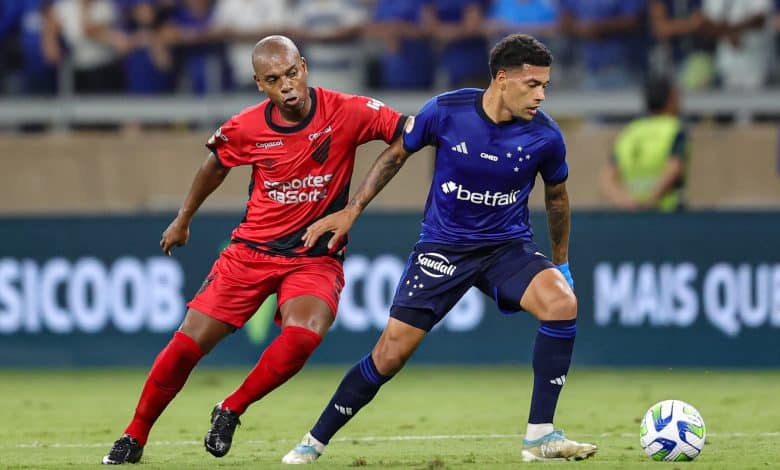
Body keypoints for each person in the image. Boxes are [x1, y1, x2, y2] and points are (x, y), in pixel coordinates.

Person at [281, 33, 598, 464]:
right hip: (443, 248)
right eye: (533, 85)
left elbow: (557, 198)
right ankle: (314, 441)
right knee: (389, 355)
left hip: (506, 248)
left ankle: (539, 436)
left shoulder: (545, 136)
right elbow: (395, 155)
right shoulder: (446, 111)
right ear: (501, 79)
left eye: (545, 86)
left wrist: (561, 263)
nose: (541, 95)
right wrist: (352, 210)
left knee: (562, 304)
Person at [101, 35, 407, 465]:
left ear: (304, 67)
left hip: (313, 255)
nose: (287, 85)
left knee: (303, 335)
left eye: (292, 73)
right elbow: (215, 165)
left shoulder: (348, 110)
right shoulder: (245, 126)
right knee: (186, 346)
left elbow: (408, 133)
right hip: (251, 253)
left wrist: (353, 208)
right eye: (273, 79)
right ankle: (134, 435)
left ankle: (231, 408)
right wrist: (183, 219)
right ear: (259, 84)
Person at [600, 75, 688, 212]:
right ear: (671, 99)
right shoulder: (674, 129)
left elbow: (606, 179)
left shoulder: (630, 131)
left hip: (633, 215)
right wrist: (650, 200)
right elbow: (674, 168)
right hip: (669, 213)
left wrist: (625, 202)